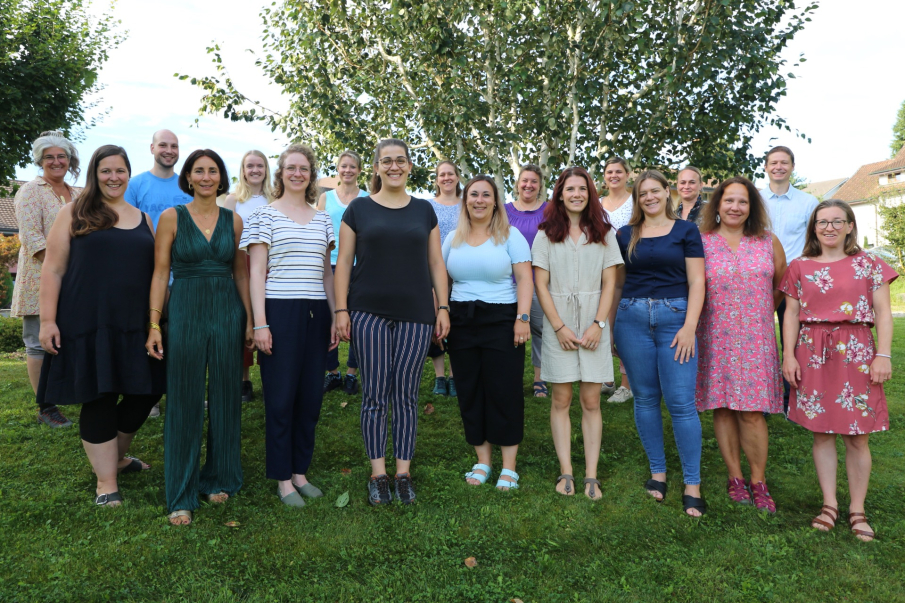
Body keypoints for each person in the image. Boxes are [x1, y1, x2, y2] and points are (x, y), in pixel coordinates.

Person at [37, 145, 165, 506]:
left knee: (147, 390)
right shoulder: (74, 212)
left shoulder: (143, 218)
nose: (113, 177)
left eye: (120, 170)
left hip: (134, 323)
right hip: (87, 321)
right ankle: (106, 482)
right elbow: (54, 268)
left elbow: (154, 271)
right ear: (95, 174)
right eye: (105, 171)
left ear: (128, 173)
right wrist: (48, 321)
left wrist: (155, 321)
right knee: (100, 395)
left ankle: (118, 457)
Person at [334, 138, 450, 506]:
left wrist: (443, 307)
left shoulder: (424, 210)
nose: (394, 166)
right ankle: (377, 474)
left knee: (405, 394)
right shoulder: (358, 209)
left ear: (410, 166)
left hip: (416, 313)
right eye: (387, 161)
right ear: (377, 167)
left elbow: (436, 263)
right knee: (374, 395)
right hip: (367, 312)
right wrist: (341, 310)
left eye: (401, 160)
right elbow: (343, 264)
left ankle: (403, 473)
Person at [146, 149, 253, 526]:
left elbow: (240, 273)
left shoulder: (234, 221)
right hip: (186, 311)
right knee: (184, 399)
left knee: (226, 395)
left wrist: (251, 321)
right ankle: (181, 491)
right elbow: (161, 274)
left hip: (227, 312)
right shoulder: (172, 217)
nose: (206, 177)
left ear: (221, 177)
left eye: (213, 171)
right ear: (188, 177)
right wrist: (155, 324)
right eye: (199, 171)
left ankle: (218, 477)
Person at [780, 200, 895, 543]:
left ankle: (857, 509)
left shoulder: (869, 264)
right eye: (821, 222)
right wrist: (788, 355)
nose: (828, 228)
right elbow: (789, 314)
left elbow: (884, 313)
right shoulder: (799, 266)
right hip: (812, 352)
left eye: (836, 221)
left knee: (858, 435)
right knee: (821, 432)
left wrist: (883, 355)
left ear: (849, 226)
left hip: (857, 351)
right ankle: (829, 504)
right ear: (813, 228)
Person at [242, 144, 338, 507]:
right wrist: (261, 324)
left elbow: (327, 275)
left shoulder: (322, 218)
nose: (297, 174)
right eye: (290, 168)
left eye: (304, 169)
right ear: (279, 173)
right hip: (278, 312)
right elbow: (255, 273)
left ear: (311, 175)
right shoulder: (264, 216)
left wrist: (333, 316)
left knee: (310, 399)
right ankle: (283, 479)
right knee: (281, 399)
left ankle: (301, 472)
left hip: (315, 313)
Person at [613, 169, 707, 517]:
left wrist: (689, 327)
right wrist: (610, 327)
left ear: (666, 192)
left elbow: (697, 281)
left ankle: (693, 483)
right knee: (646, 399)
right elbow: (619, 284)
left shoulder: (686, 230)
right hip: (631, 320)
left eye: (655, 191)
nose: (650, 197)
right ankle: (658, 471)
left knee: (682, 402)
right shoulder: (625, 234)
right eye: (643, 193)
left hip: (675, 321)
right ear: (636, 199)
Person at [695, 177, 786, 513]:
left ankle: (758, 481)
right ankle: (735, 477)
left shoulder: (767, 241)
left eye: (742, 202)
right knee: (722, 407)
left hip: (755, 338)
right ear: (717, 205)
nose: (735, 207)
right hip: (715, 335)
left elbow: (781, 284)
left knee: (751, 412)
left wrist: (758, 312)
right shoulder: (701, 242)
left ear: (752, 207)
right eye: (729, 200)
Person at [534, 167, 622, 500]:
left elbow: (610, 282)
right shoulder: (545, 233)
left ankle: (591, 475)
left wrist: (599, 326)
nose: (576, 194)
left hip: (593, 323)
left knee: (590, 400)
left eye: (582, 189)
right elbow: (541, 284)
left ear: (590, 194)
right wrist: (557, 326)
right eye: (569, 189)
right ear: (559, 194)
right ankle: (566, 471)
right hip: (560, 325)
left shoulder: (604, 233)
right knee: (561, 398)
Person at [443, 175, 532, 491]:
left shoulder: (510, 235)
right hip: (462, 321)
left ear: (496, 201)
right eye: (473, 195)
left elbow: (524, 279)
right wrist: (441, 313)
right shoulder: (453, 237)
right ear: (465, 200)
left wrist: (522, 318)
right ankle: (483, 460)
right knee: (469, 389)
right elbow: (442, 281)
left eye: (486, 195)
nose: (479, 200)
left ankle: (509, 467)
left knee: (503, 390)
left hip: (501, 319)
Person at [13, 131, 79, 428]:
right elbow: (32, 239)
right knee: (37, 343)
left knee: (68, 339)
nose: (56, 162)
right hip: (39, 280)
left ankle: (68, 392)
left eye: (61, 156)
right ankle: (45, 406)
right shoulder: (30, 191)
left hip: (74, 279)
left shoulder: (77, 194)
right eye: (49, 157)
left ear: (70, 160)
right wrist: (63, 268)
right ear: (40, 161)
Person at [126, 129, 193, 417]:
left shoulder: (187, 185)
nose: (169, 150)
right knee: (150, 331)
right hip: (146, 272)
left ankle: (183, 391)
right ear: (151, 147)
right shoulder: (136, 184)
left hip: (183, 273)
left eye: (174, 146)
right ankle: (149, 396)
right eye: (163, 145)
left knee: (181, 334)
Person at [759, 146, 819, 412]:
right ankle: (762, 395)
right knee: (759, 337)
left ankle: (793, 399)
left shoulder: (808, 203)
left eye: (784, 162)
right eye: (774, 162)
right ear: (766, 167)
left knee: (794, 338)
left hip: (797, 280)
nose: (779, 167)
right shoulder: (756, 200)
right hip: (759, 278)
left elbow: (815, 240)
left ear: (792, 167)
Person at [223, 150, 274, 402]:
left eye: (260, 166)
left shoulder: (275, 198)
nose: (255, 170)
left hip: (271, 264)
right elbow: (226, 238)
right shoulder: (233, 200)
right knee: (244, 318)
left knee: (269, 318)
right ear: (242, 170)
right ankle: (244, 380)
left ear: (266, 169)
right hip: (241, 264)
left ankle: (270, 376)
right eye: (249, 166)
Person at [317, 150, 368, 396]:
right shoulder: (325, 199)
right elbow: (317, 232)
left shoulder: (368, 198)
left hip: (359, 267)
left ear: (359, 170)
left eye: (352, 167)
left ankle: (351, 374)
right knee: (329, 318)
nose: (347, 170)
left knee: (357, 320)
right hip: (330, 266)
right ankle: (332, 372)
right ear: (338, 169)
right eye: (343, 166)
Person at [505, 164, 547, 398]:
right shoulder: (503, 211)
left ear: (540, 185)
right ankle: (512, 379)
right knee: (509, 333)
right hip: (508, 283)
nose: (528, 185)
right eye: (525, 180)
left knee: (541, 332)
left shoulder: (550, 211)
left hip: (540, 283)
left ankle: (540, 380)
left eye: (534, 181)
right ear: (517, 183)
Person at [600, 156, 634, 403]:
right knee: (602, 322)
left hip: (629, 269)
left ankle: (626, 384)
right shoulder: (597, 204)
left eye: (618, 171)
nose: (614, 175)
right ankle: (606, 378)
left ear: (627, 174)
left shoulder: (635, 202)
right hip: (601, 270)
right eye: (609, 171)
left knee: (623, 325)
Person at [428, 160, 462, 401]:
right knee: (434, 322)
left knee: (457, 323)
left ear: (458, 177)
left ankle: (454, 375)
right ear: (437, 179)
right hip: (431, 271)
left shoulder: (467, 205)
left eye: (451, 174)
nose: (447, 178)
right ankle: (439, 377)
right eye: (442, 174)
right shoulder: (426, 206)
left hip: (460, 273)